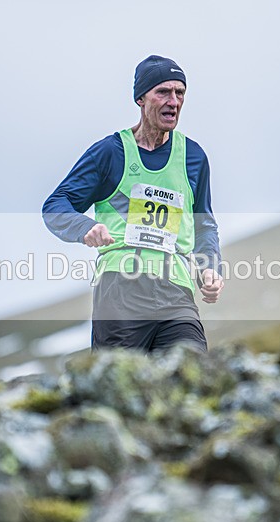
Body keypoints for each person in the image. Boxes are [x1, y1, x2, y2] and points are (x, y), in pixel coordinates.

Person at [43, 54, 223, 353]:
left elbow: (204, 225)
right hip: (120, 291)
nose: (174, 101)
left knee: (192, 373)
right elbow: (56, 205)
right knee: (121, 388)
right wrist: (85, 227)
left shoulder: (193, 157)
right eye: (163, 92)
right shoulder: (110, 153)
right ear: (141, 98)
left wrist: (210, 267)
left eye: (180, 93)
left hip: (176, 292)